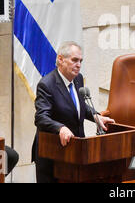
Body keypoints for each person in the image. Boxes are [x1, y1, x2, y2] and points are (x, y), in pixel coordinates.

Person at [32, 41, 115, 183]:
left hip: (75, 151)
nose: (78, 65)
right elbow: (41, 117)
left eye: (80, 61)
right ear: (60, 59)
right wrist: (60, 128)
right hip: (52, 153)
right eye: (74, 60)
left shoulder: (78, 79)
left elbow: (79, 105)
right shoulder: (47, 84)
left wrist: (96, 116)